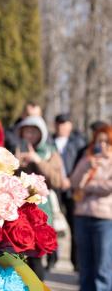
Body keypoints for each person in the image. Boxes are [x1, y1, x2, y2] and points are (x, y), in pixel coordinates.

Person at [14, 115, 65, 281]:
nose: (29, 135)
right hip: (20, 210)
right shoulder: (17, 150)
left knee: (36, 255)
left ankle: (38, 290)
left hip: (41, 212)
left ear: (41, 133)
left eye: (33, 132)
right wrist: (15, 165)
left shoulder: (50, 152)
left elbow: (57, 180)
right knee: (20, 255)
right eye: (26, 131)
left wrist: (38, 160)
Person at [70, 125, 112, 291]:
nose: (101, 144)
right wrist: (87, 167)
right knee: (85, 264)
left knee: (103, 265)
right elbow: (73, 182)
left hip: (105, 218)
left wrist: (88, 186)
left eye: (106, 141)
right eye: (98, 140)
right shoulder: (87, 160)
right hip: (82, 215)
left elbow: (107, 187)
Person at [53, 113, 87, 271]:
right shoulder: (49, 141)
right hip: (53, 189)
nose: (62, 126)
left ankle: (76, 261)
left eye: (65, 123)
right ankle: (52, 258)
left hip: (72, 189)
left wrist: (71, 180)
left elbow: (82, 164)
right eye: (59, 123)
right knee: (52, 223)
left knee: (74, 225)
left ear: (70, 125)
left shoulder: (78, 143)